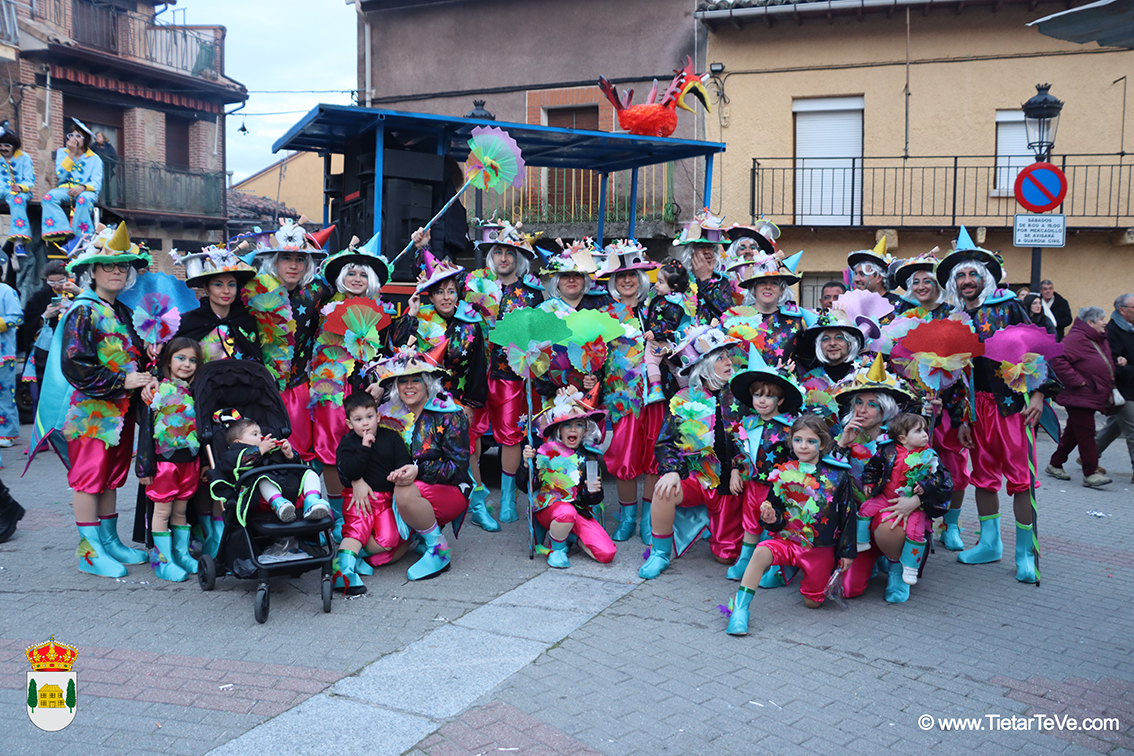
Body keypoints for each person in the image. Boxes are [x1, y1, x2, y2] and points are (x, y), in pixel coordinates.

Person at [938, 227, 1058, 584]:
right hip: (976, 411)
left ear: (984, 278)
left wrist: (1040, 394)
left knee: (1021, 480)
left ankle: (1025, 554)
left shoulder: (1007, 307)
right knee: (983, 477)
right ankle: (989, 544)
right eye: (961, 275)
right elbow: (954, 375)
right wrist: (961, 416)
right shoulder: (952, 318)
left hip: (1012, 408)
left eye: (972, 274)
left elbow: (1036, 349)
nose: (967, 280)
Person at [55, 223, 157, 577]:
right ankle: (89, 551)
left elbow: (130, 356)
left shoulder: (121, 311)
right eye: (108, 266)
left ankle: (110, 541)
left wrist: (146, 358)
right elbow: (75, 364)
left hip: (121, 408)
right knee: (89, 477)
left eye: (122, 266)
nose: (117, 272)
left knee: (112, 475)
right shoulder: (83, 310)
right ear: (93, 271)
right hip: (92, 411)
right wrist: (122, 381)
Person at [723, 414, 856, 635]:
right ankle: (740, 610)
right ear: (791, 442)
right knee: (760, 551)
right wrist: (771, 518)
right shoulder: (783, 472)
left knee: (813, 602)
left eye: (811, 441)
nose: (803, 446)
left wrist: (847, 552)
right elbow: (776, 511)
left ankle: (801, 576)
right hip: (787, 540)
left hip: (818, 549)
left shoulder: (838, 475)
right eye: (798, 440)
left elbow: (848, 515)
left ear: (822, 444)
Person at [389, 239, 489, 505]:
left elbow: (479, 366)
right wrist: (411, 315)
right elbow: (398, 348)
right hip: (423, 398)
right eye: (439, 292)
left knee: (467, 450)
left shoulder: (471, 324)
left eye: (451, 291)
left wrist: (471, 404)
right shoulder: (421, 320)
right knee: (426, 450)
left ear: (458, 294)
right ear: (430, 297)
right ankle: (430, 501)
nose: (446, 297)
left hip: (458, 398)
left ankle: (477, 504)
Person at [640, 326, 744, 579]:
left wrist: (738, 468)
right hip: (699, 478)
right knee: (663, 490)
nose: (729, 362)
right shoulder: (684, 399)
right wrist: (672, 471)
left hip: (730, 488)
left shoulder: (742, 398)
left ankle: (715, 527)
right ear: (705, 366)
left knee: (725, 556)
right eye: (720, 358)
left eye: (728, 357)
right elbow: (665, 443)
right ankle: (660, 554)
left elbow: (750, 441)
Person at [310, 232, 392, 540]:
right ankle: (335, 515)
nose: (357, 278)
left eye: (363, 274)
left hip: (365, 389)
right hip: (331, 388)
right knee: (331, 450)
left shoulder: (380, 313)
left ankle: (364, 512)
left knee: (367, 446)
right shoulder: (325, 308)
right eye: (351, 273)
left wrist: (381, 383)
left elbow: (388, 355)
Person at [464, 221, 545, 528]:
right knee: (471, 433)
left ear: (518, 258)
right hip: (475, 372)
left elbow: (541, 334)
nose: (503, 258)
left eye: (510, 253)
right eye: (498, 252)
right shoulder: (475, 287)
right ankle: (478, 497)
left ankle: (509, 497)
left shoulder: (532, 294)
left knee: (510, 435)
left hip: (511, 375)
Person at [367, 347, 473, 581]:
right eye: (403, 381)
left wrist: (418, 471)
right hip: (407, 491)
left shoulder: (450, 414)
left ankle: (438, 549)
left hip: (451, 490)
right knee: (380, 557)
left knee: (404, 491)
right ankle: (420, 533)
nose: (409, 386)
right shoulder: (389, 416)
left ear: (427, 383)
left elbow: (458, 469)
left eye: (416, 380)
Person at [247, 219, 331, 462]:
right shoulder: (255, 292)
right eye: (286, 258)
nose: (293, 265)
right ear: (274, 261)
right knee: (262, 452)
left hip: (298, 388)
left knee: (299, 452)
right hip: (261, 389)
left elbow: (352, 285)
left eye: (300, 259)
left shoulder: (318, 292)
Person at [595, 241, 663, 544]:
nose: (627, 280)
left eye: (632, 274)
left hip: (657, 396)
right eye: (621, 275)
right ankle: (627, 518)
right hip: (623, 396)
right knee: (624, 456)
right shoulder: (606, 314)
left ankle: (649, 519)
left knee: (654, 456)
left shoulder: (658, 309)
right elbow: (596, 355)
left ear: (641, 278)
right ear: (613, 281)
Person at [725, 346, 804, 583]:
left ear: (780, 399)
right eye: (757, 394)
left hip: (777, 488)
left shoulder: (789, 427)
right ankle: (745, 560)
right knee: (750, 522)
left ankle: (774, 566)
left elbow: (798, 457)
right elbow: (740, 453)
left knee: (773, 521)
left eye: (769, 396)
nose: (761, 400)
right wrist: (735, 471)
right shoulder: (747, 423)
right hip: (752, 485)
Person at [521, 386, 616, 569]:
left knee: (606, 554)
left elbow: (592, 499)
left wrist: (593, 492)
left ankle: (570, 536)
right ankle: (556, 549)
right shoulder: (546, 452)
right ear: (559, 429)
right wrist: (526, 464)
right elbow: (527, 487)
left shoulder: (590, 457)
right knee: (566, 512)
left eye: (579, 425)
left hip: (578, 510)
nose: (573, 429)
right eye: (567, 424)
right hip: (549, 509)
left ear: (585, 430)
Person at [854, 413, 951, 588]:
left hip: (914, 505)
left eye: (924, 430)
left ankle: (909, 567)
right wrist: (869, 481)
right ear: (902, 438)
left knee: (916, 531)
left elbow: (938, 477)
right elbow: (873, 467)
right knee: (865, 509)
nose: (925, 434)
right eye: (918, 431)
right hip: (886, 498)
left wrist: (924, 488)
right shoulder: (888, 450)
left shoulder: (929, 455)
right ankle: (861, 541)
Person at [332, 391, 414, 595]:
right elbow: (348, 472)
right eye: (358, 419)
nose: (365, 424)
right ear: (350, 423)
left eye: (369, 417)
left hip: (385, 500)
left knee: (389, 539)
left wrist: (400, 472)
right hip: (358, 499)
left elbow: (403, 461)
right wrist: (364, 448)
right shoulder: (348, 443)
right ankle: (341, 573)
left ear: (378, 416)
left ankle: (351, 555)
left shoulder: (391, 438)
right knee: (356, 530)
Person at [136, 338, 204, 582]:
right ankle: (162, 561)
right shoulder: (157, 392)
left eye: (193, 360)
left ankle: (181, 553)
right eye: (181, 358)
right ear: (168, 361)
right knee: (163, 510)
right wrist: (143, 466)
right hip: (164, 463)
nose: (187, 364)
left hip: (189, 462)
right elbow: (146, 431)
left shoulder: (196, 392)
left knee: (180, 511)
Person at [211, 414, 331, 525]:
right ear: (238, 442)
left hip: (288, 489)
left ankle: (312, 501)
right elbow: (239, 465)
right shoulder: (233, 454)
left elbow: (293, 468)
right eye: (255, 434)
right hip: (261, 499)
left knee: (309, 472)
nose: (261, 436)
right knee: (263, 479)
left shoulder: (271, 450)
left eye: (260, 433)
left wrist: (289, 455)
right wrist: (259, 451)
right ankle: (279, 505)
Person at [1046, 307, 1115, 488]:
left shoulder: (1097, 338)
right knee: (1087, 433)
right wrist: (1078, 381)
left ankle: (1055, 464)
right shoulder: (1076, 338)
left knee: (1073, 432)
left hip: (1090, 393)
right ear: (1090, 323)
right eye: (1102, 319)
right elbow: (1057, 358)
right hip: (1078, 394)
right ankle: (1090, 473)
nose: (1105, 322)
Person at [174, 247, 262, 364]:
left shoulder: (246, 320)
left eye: (231, 285)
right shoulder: (190, 322)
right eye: (218, 285)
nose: (226, 291)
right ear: (206, 288)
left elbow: (256, 359)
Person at [722, 249, 805, 364]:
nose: (768, 287)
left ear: (781, 290)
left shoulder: (797, 322)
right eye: (762, 282)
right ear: (754, 288)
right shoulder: (734, 318)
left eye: (774, 283)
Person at [672, 214, 742, 325]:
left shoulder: (721, 281)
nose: (707, 251)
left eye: (710, 247)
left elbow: (728, 314)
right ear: (690, 252)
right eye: (701, 246)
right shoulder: (679, 279)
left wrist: (706, 280)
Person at [41, 118, 103, 242]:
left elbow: (96, 182)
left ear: (85, 139)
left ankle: (83, 235)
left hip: (86, 191)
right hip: (65, 189)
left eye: (78, 136)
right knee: (48, 198)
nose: (74, 139)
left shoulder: (95, 159)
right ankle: (63, 230)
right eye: (71, 135)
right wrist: (71, 153)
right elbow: (60, 174)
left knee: (83, 200)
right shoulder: (62, 152)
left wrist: (83, 187)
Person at [1095, 293, 1134, 482]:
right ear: (1122, 310)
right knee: (1133, 429)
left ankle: (1089, 454)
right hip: (1121, 389)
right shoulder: (1112, 331)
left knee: (1115, 426)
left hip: (1130, 385)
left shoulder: (1131, 328)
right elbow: (1113, 365)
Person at [0, 121, 34, 257]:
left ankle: (19, 242)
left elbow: (30, 180)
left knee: (18, 200)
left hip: (20, 192)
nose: (3, 148)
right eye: (0, 145)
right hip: (1, 190)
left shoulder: (24, 158)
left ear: (14, 146)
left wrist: (20, 187)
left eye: (6, 146)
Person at [848, 237, 903, 310]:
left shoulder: (898, 305)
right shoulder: (855, 304)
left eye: (862, 274)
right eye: (855, 274)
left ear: (879, 277)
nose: (856, 279)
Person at [0, 275, 22, 450]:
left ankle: (7, 433)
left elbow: (17, 317)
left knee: (4, 394)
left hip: (3, 353)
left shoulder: (6, 290)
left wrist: (1, 322)